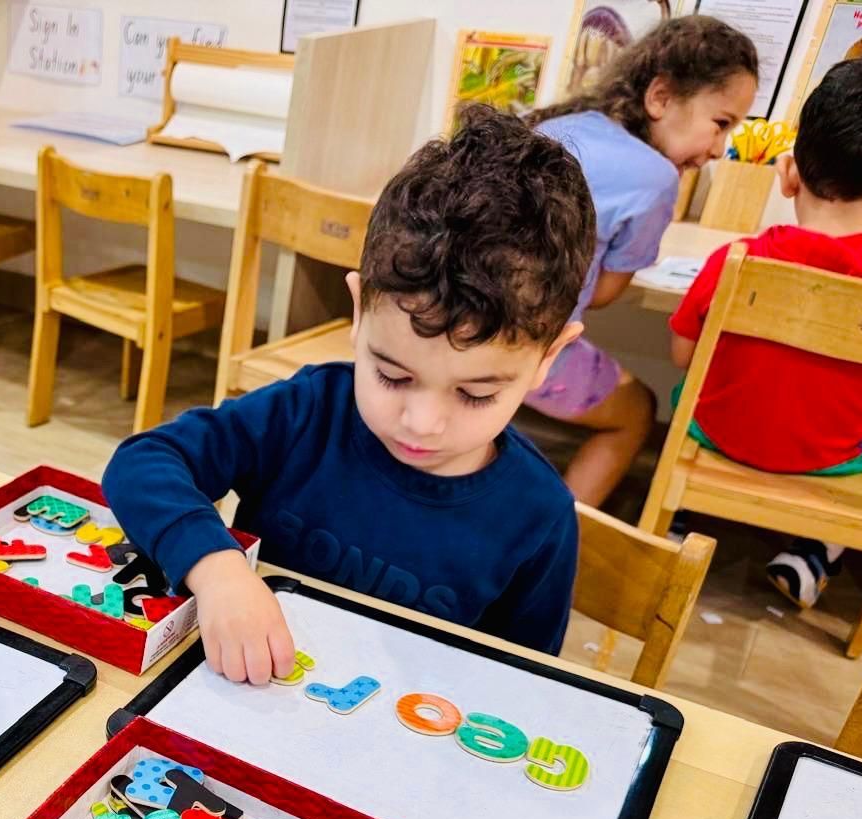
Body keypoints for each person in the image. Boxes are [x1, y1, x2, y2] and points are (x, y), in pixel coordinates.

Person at [102, 108, 593, 685]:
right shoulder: (308, 412)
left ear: (549, 359)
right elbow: (142, 463)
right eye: (391, 375)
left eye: (477, 394)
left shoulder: (538, 517)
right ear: (359, 313)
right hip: (244, 699)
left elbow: (523, 685)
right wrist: (217, 572)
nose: (422, 422)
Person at [527, 15, 757, 505]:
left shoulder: (559, 124)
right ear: (660, 97)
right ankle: (564, 533)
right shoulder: (656, 178)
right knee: (636, 411)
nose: (720, 149)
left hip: (464, 322)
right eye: (720, 125)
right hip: (527, 350)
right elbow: (606, 295)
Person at [666, 57, 862, 608]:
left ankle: (678, 519)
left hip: (721, 434)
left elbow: (683, 355)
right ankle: (818, 551)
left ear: (788, 173)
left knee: (687, 393)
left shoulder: (737, 258)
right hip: (833, 457)